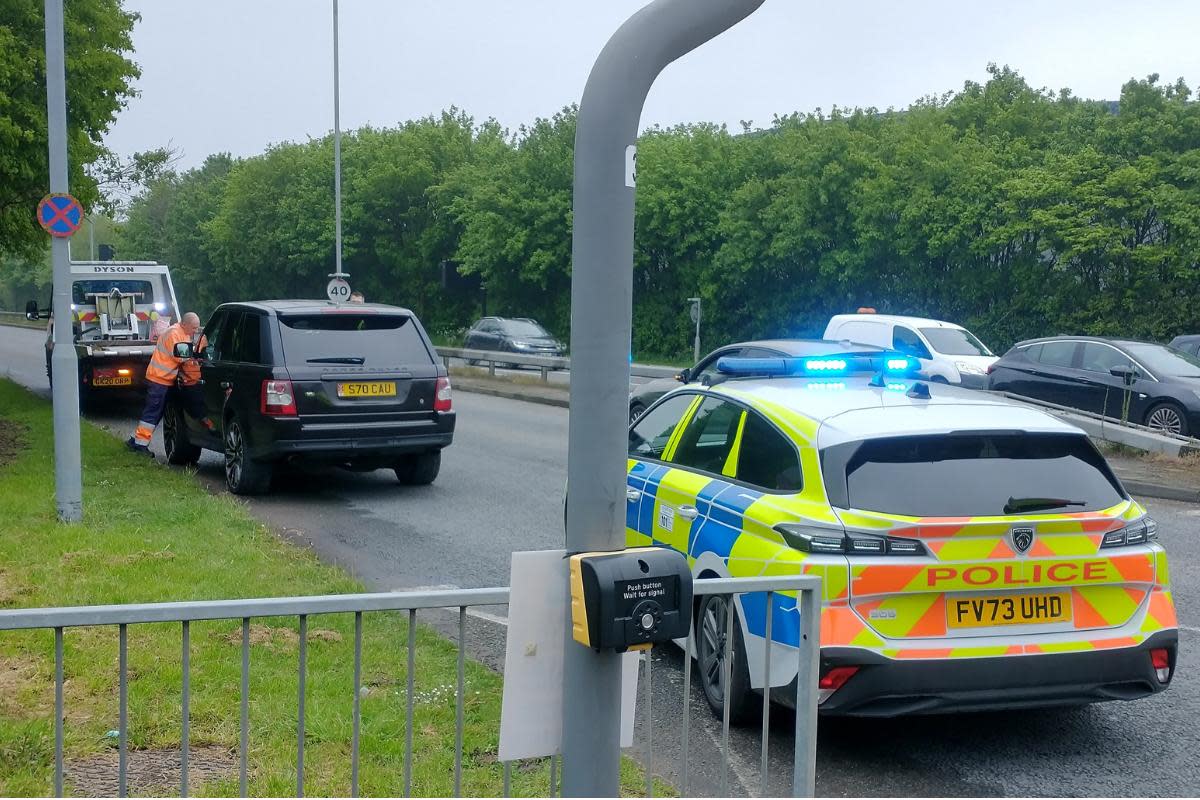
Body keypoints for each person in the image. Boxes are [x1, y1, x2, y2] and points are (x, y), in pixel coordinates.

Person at [126, 311, 202, 457]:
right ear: (185, 324)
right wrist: (195, 361)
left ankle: (137, 440)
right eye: (194, 328)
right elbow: (181, 357)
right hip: (159, 379)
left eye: (197, 328)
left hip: (163, 379)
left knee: (155, 412)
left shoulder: (183, 333)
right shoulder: (174, 334)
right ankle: (140, 445)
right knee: (153, 412)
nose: (196, 331)